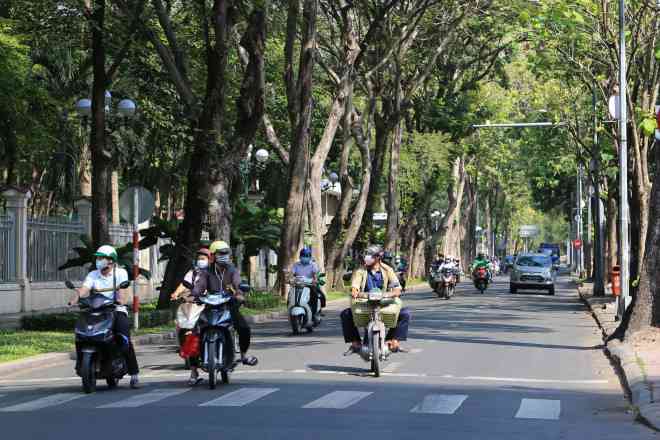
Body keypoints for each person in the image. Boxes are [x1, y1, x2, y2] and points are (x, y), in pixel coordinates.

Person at [68, 245, 140, 389]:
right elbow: (84, 289)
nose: (98, 260)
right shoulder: (93, 274)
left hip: (116, 310)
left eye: (101, 258)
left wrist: (120, 299)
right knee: (81, 333)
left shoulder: (120, 273)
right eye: (98, 258)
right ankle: (81, 363)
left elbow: (123, 291)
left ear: (111, 261)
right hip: (96, 310)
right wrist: (74, 299)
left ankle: (134, 374)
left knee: (123, 337)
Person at [192, 240, 258, 366]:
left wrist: (239, 293)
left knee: (244, 328)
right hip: (210, 307)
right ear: (212, 256)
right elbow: (199, 285)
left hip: (229, 304)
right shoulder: (206, 271)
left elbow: (237, 282)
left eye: (226, 253)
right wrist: (193, 294)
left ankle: (244, 355)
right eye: (220, 253)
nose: (224, 256)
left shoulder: (231, 270)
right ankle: (194, 371)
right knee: (194, 333)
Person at [340, 245, 411, 354]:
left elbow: (397, 287)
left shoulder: (388, 270)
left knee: (405, 313)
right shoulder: (360, 270)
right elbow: (355, 286)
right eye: (366, 255)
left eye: (370, 255)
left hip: (384, 302)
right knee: (346, 314)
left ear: (378, 257)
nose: (366, 257)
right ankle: (355, 343)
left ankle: (393, 341)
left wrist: (394, 292)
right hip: (364, 302)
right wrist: (355, 291)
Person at [170, 248, 211, 386]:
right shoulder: (192, 273)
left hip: (209, 307)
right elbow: (184, 285)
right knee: (189, 334)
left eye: (204, 258)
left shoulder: (214, 273)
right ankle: (194, 372)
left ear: (210, 260)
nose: (201, 260)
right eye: (199, 258)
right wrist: (176, 293)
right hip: (194, 307)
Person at [291, 247, 325, 319]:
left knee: (316, 295)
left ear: (310, 257)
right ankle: (290, 309)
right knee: (290, 296)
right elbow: (291, 274)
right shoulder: (296, 265)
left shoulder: (313, 265)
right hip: (298, 285)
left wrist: (314, 280)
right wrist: (289, 279)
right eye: (303, 255)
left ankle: (315, 312)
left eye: (307, 256)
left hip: (309, 285)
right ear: (300, 256)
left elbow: (315, 276)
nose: (305, 257)